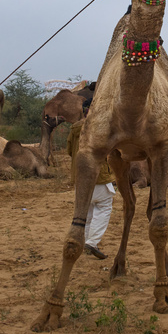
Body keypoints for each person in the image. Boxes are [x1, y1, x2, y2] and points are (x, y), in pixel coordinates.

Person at [66, 101, 115, 260]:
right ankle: (92, 242)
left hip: (79, 178)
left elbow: (69, 151)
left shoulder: (74, 128)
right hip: (97, 176)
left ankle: (85, 242)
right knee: (104, 206)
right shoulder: (100, 126)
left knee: (85, 211)